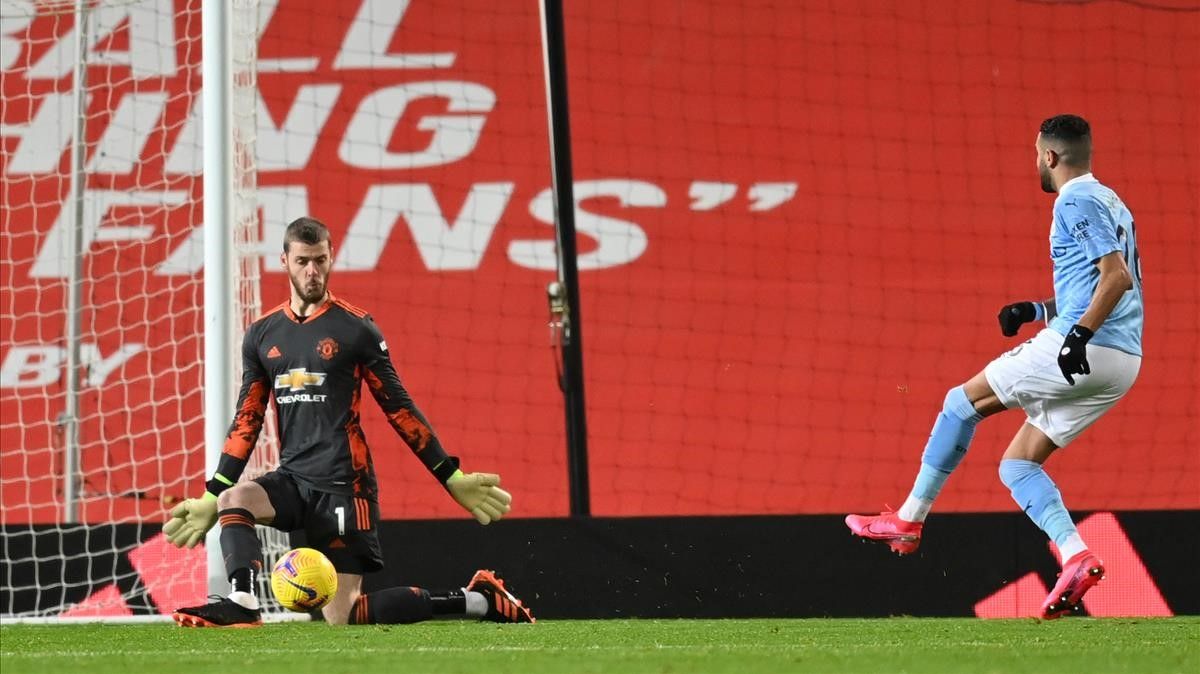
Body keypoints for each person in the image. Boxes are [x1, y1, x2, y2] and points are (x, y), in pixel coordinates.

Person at [163, 217, 534, 627]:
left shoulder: (356, 329)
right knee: (236, 501)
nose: (312, 271)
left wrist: (451, 475)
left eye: (320, 260)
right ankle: (243, 601)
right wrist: (212, 494)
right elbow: (247, 420)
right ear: (284, 260)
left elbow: (399, 408)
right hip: (293, 479)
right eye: (303, 261)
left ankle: (479, 601)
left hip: (343, 484)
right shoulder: (262, 335)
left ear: (331, 257)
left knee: (344, 616)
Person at [845, 114, 1143, 619]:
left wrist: (1076, 335)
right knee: (1018, 464)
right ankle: (1076, 556)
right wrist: (1037, 310)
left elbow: (1116, 280)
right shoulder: (1113, 202)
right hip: (1124, 361)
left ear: (1050, 156)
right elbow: (1094, 285)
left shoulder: (1074, 200)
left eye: (1036, 154)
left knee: (959, 404)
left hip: (1088, 349)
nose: (1036, 163)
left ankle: (910, 520)